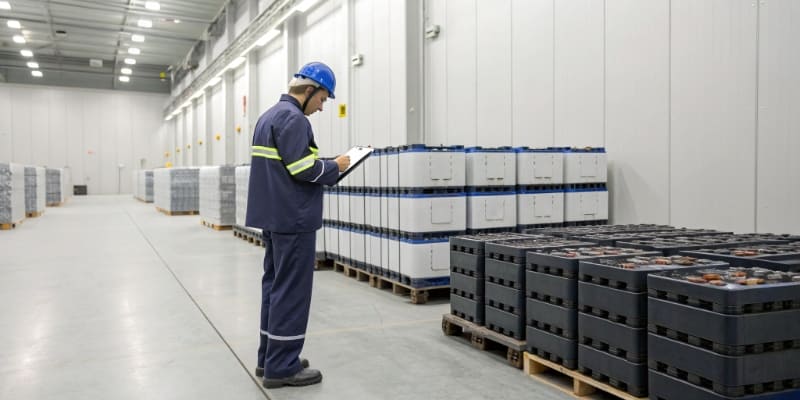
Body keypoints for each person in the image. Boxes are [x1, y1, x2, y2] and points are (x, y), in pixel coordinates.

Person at [246, 61, 350, 389]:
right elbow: (302, 168)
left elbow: (290, 164)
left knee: (275, 288)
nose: (321, 107)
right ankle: (283, 367)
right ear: (308, 91)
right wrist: (337, 166)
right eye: (322, 99)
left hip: (275, 217)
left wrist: (329, 164)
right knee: (292, 293)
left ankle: (270, 358)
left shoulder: (269, 117)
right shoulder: (293, 119)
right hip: (293, 218)